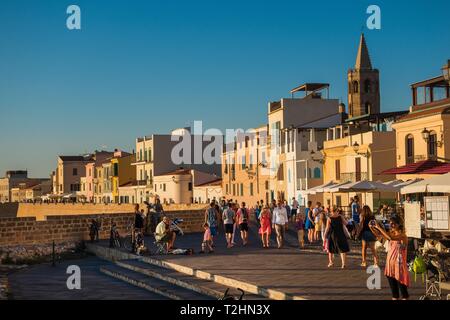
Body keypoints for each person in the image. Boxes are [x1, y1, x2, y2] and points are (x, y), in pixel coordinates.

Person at [370, 215, 410, 300]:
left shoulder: (403, 235)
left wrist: (378, 227)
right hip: (390, 266)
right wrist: (372, 228)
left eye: (393, 223)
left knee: (404, 293)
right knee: (394, 294)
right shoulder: (391, 233)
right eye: (390, 223)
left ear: (399, 224)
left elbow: (390, 238)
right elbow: (379, 235)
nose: (391, 225)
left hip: (399, 267)